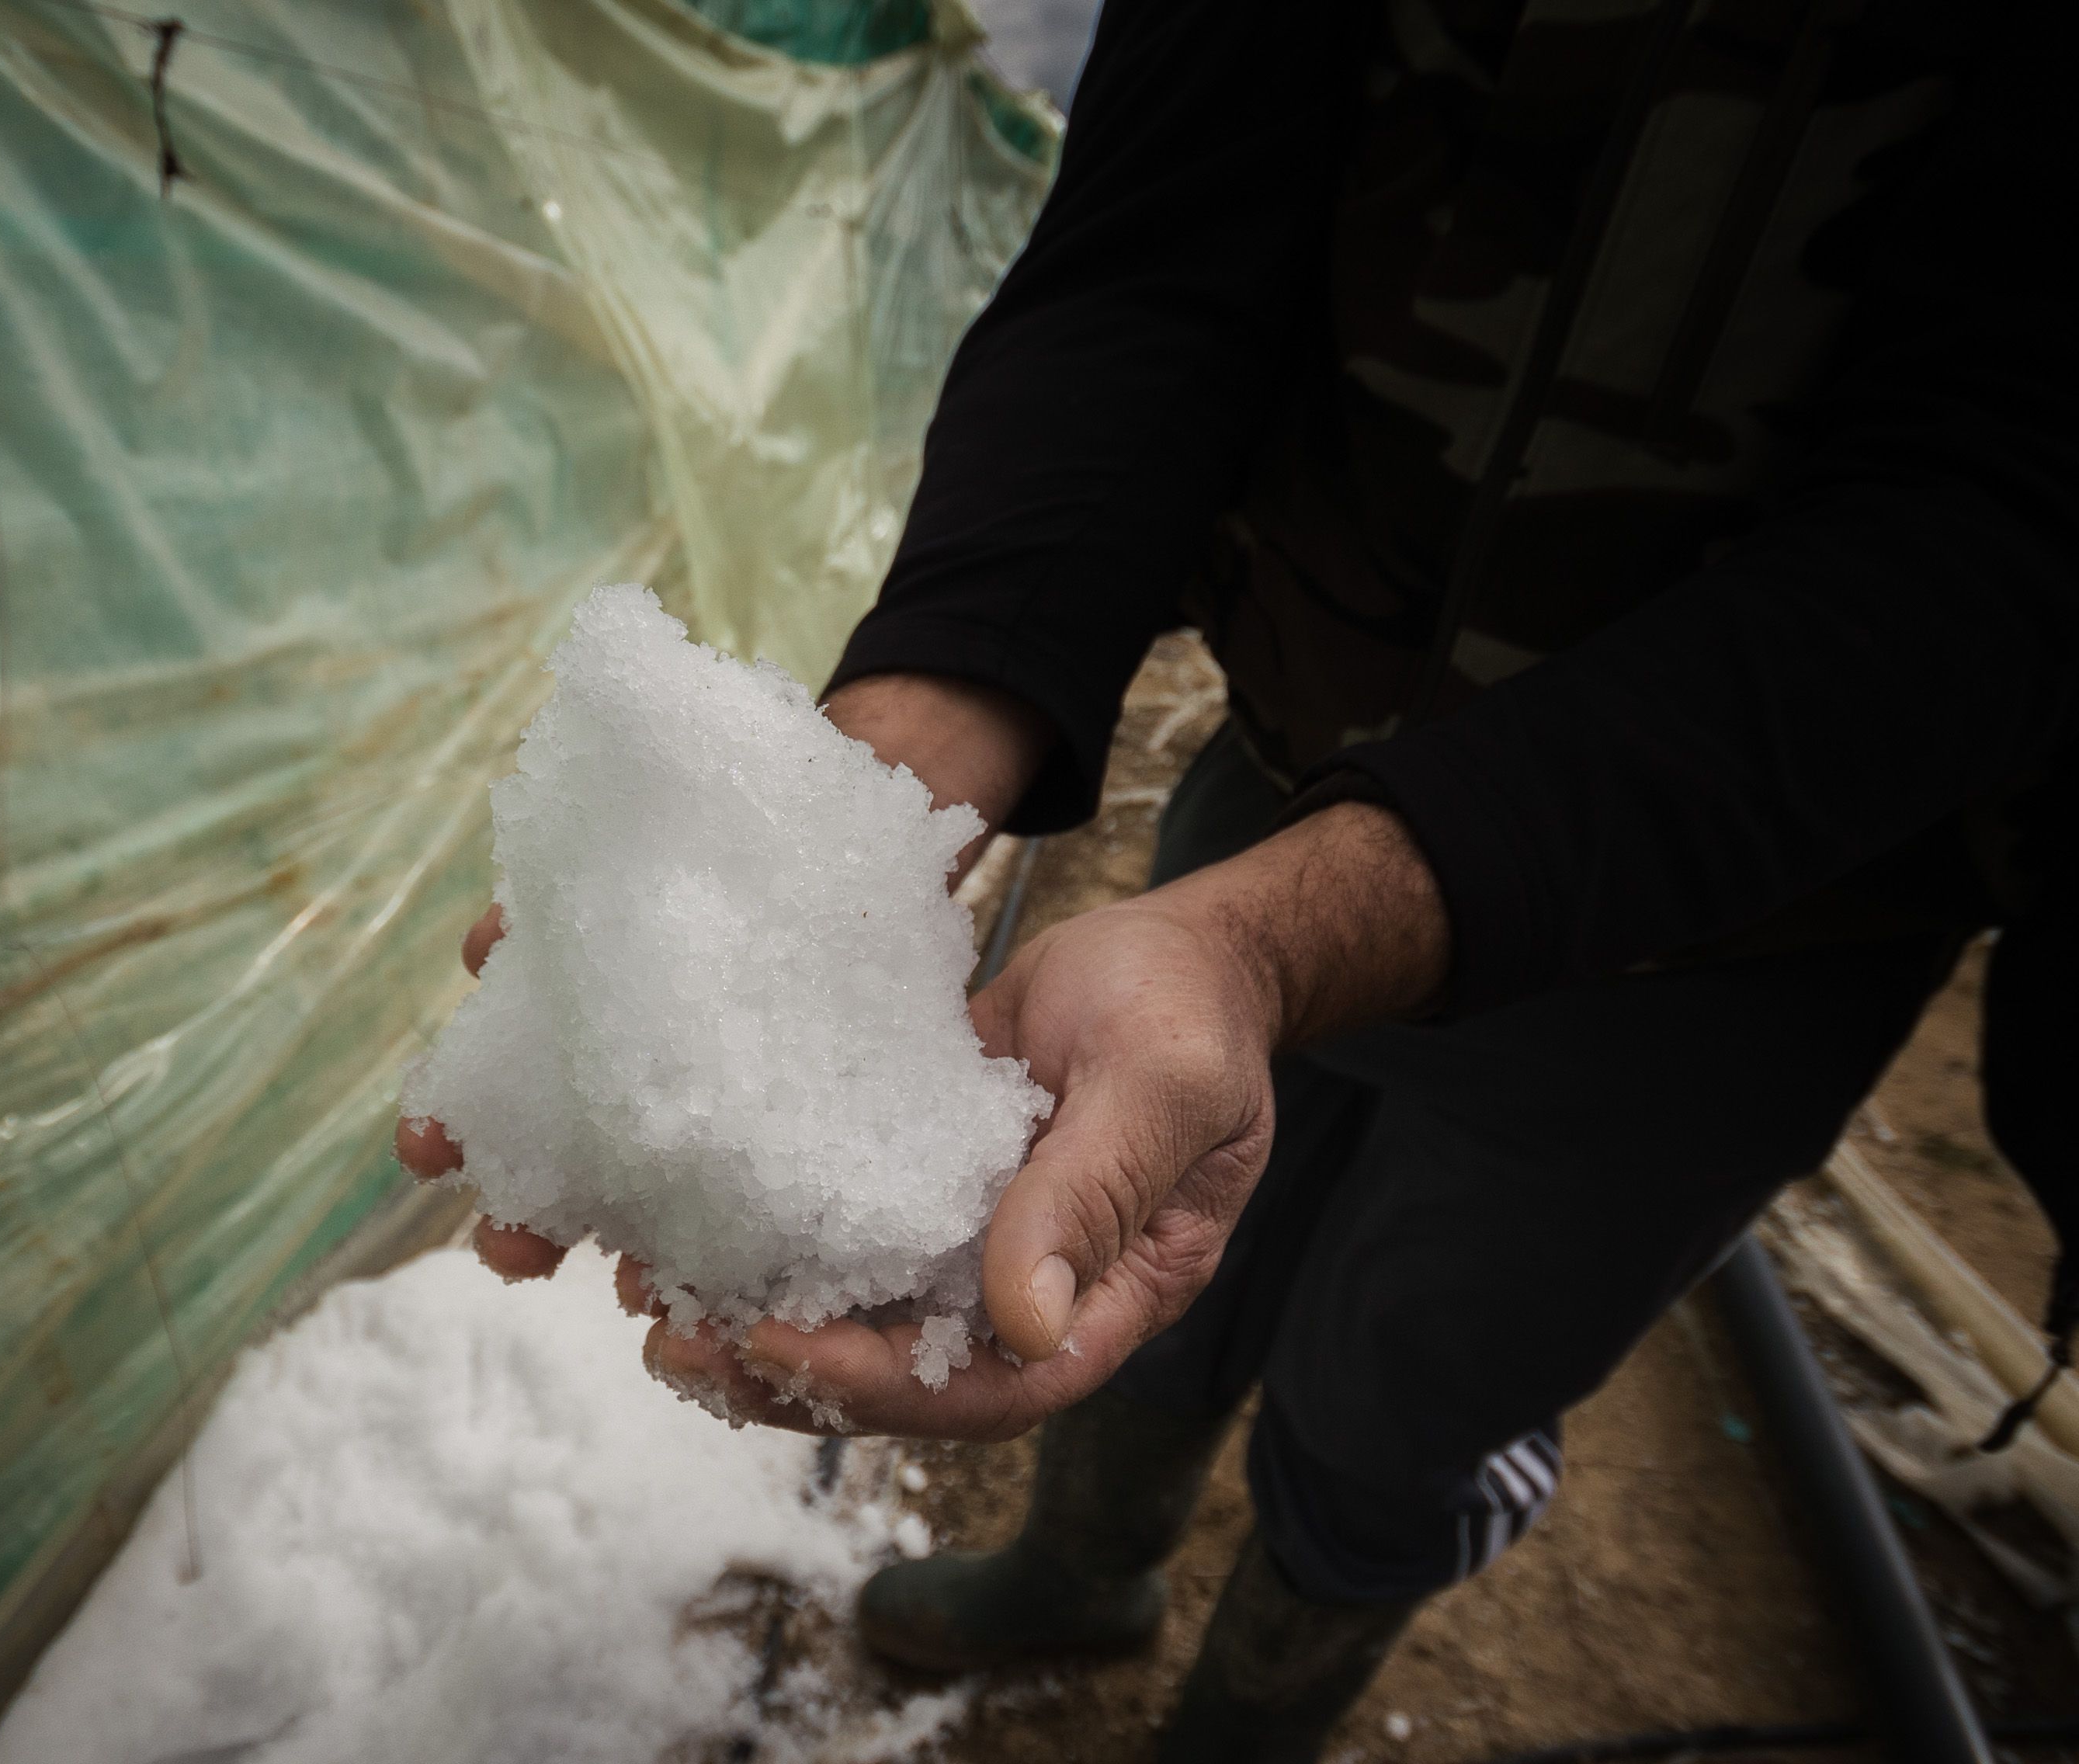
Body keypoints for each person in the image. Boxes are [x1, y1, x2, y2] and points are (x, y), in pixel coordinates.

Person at [403, 0, 2079, 1756]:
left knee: (1412, 1393)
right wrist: (908, 741)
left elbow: (2007, 517)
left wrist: (1289, 937)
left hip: (1734, 931)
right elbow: (1159, 259)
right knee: (1122, 1236)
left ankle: (1250, 1725)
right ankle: (1086, 1570)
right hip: (1290, 748)